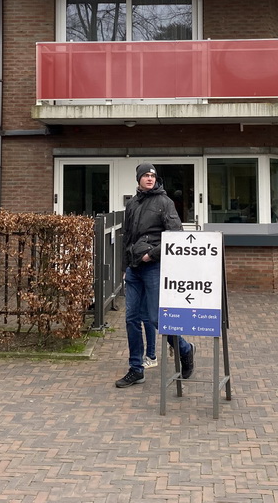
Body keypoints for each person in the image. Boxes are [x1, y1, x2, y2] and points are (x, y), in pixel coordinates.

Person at [116, 162, 194, 388]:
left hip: (153, 268)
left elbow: (176, 234)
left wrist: (152, 255)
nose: (150, 178)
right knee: (131, 318)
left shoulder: (164, 202)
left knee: (156, 318)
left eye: (153, 175)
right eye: (146, 175)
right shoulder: (132, 204)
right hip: (134, 269)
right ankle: (136, 369)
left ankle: (185, 349)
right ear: (139, 178)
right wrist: (125, 267)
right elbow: (127, 236)